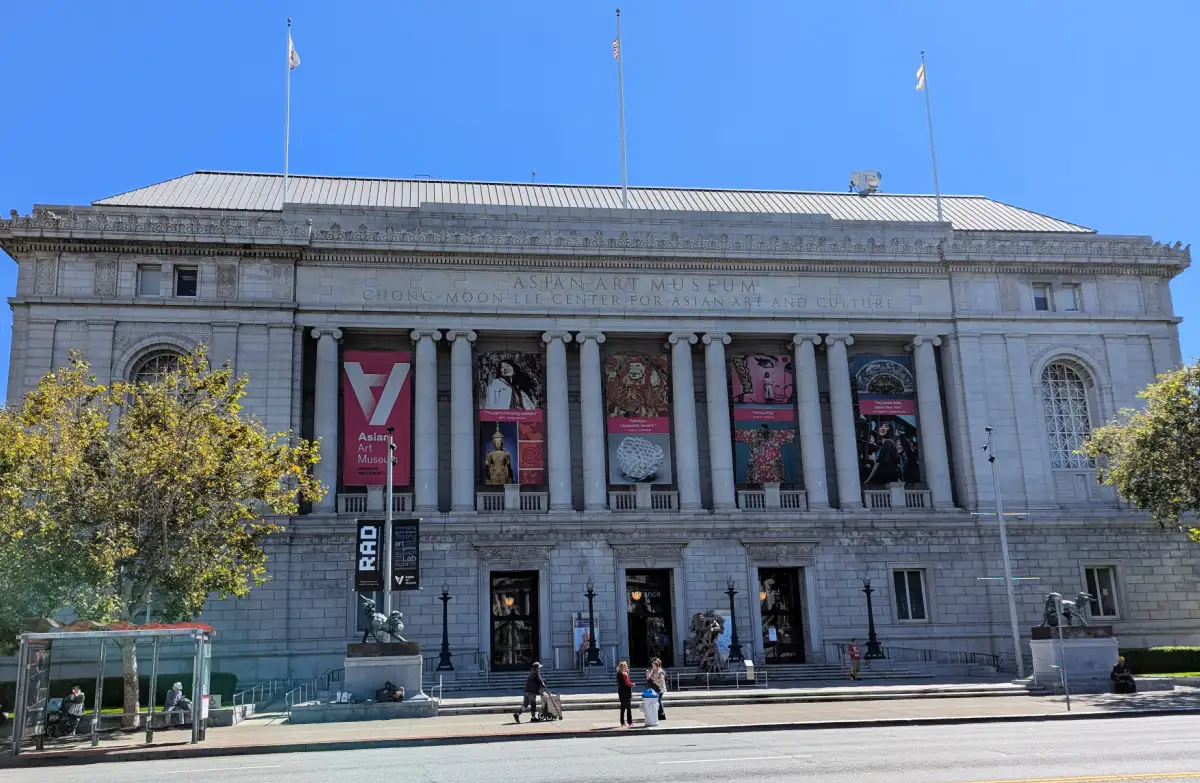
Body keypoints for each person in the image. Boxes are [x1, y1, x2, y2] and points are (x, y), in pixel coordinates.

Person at [616, 661, 634, 727]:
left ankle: (622, 722)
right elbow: (627, 683)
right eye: (626, 666)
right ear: (623, 667)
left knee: (622, 707)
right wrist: (633, 684)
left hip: (621, 692)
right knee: (628, 708)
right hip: (626, 692)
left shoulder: (618, 674)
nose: (627, 667)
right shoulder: (624, 674)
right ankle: (630, 722)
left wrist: (627, 673)